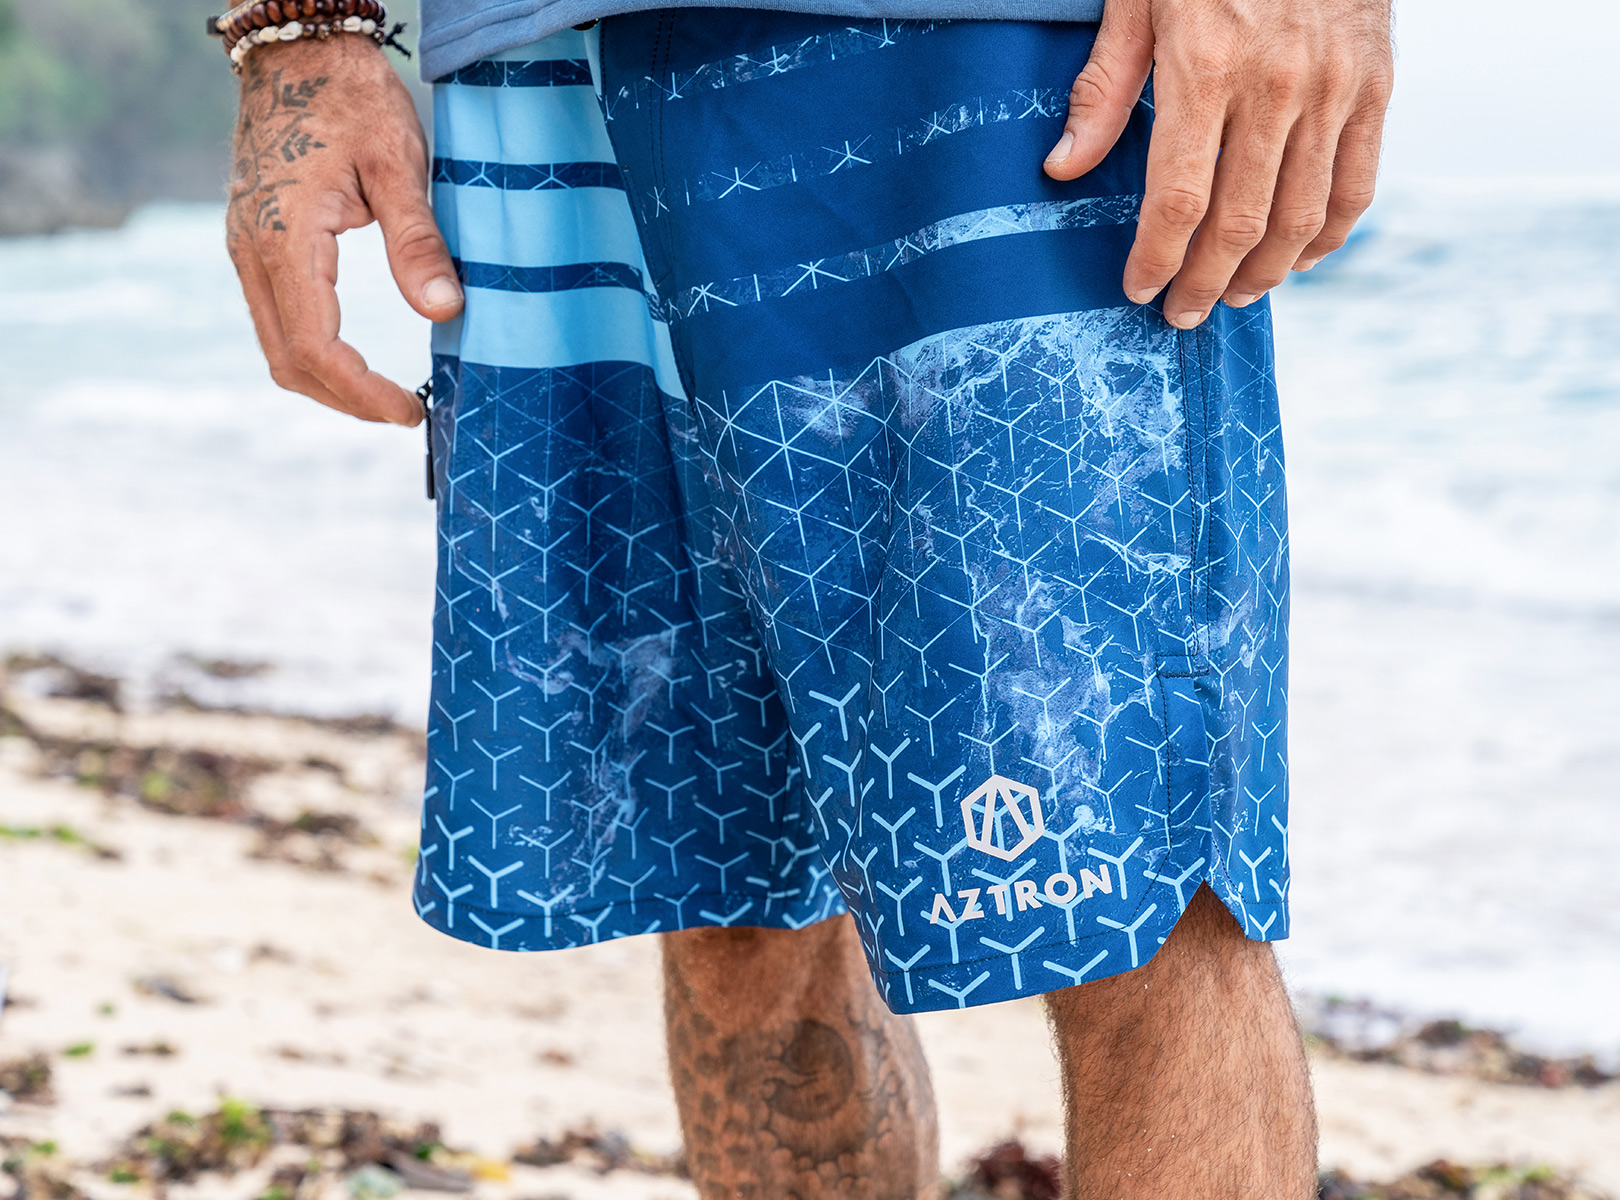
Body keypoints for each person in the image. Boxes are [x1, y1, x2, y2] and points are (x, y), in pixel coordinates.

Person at [222, 0, 1391, 1194]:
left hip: (990, 51)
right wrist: (300, 35)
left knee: (1140, 902)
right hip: (539, 61)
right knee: (730, 896)